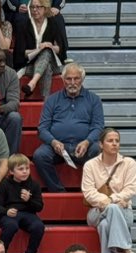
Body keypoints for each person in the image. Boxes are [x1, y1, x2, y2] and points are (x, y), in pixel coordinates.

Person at [34, 63, 104, 193]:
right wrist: (53, 142)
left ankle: (90, 191)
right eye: (68, 79)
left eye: (76, 78)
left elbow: (98, 126)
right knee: (39, 155)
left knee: (96, 149)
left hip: (84, 146)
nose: (72, 82)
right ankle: (58, 191)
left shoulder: (94, 99)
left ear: (82, 79)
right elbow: (42, 128)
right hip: (58, 148)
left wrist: (87, 141)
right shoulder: (52, 100)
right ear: (63, 79)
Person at [82, 128, 136, 253]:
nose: (114, 144)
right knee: (111, 208)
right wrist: (104, 201)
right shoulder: (90, 165)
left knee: (105, 225)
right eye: (110, 141)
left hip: (124, 212)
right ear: (101, 144)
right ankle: (127, 250)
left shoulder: (129, 163)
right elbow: (88, 192)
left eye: (117, 141)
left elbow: (131, 188)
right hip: (96, 212)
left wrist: (111, 200)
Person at [0, 153, 44, 253]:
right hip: (9, 214)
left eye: (27, 168)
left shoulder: (34, 185)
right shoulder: (4, 184)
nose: (25, 171)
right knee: (11, 225)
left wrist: (29, 200)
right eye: (21, 169)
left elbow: (39, 207)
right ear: (11, 171)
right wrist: (6, 211)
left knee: (38, 226)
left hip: (28, 213)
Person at [13, 0, 64, 100]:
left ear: (45, 8)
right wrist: (38, 50)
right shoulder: (24, 25)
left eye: (38, 7)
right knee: (46, 66)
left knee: (47, 51)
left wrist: (50, 46)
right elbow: (21, 52)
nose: (35, 10)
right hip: (30, 65)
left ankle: (32, 83)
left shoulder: (53, 23)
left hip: (54, 64)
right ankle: (46, 100)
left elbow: (59, 49)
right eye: (32, 7)